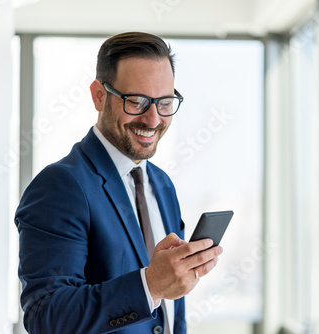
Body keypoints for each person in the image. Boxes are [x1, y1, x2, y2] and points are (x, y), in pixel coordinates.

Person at [15, 32, 223, 334]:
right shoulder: (61, 185)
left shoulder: (162, 184)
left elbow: (170, 312)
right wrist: (150, 285)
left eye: (165, 102)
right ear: (99, 95)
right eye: (137, 101)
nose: (153, 119)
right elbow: (46, 317)